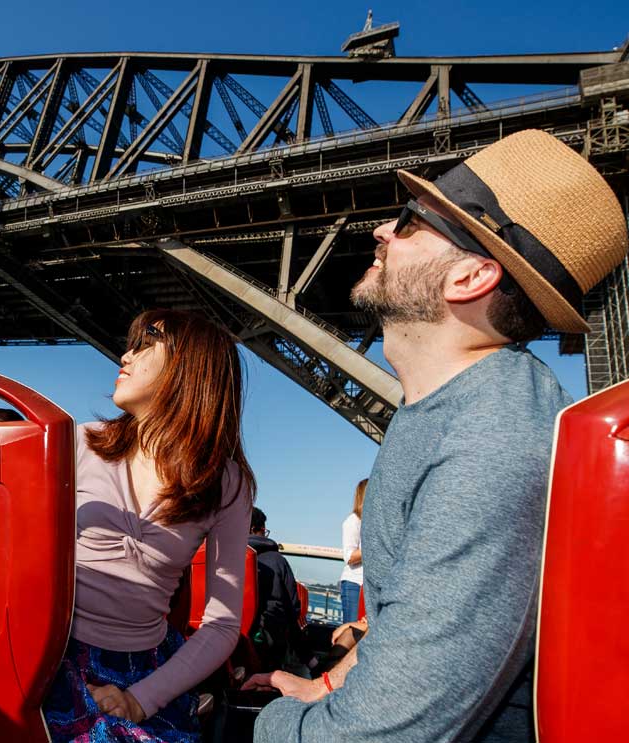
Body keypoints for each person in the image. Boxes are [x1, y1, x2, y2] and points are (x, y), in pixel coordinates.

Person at [244, 129, 629, 742]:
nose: (381, 231)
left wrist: (272, 725)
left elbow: (385, 736)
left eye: (409, 220)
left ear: (471, 277)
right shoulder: (443, 409)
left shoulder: (491, 438)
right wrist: (326, 685)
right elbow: (409, 619)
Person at [43, 309, 256, 742]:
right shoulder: (76, 445)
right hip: (49, 656)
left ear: (189, 368)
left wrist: (141, 699)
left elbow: (221, 624)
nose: (126, 354)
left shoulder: (226, 485)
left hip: (143, 672)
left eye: (146, 343)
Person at [248, 507, 303, 671]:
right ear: (254, 529)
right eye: (264, 531)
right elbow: (294, 607)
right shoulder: (278, 560)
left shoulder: (221, 554)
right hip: (267, 640)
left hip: (229, 639)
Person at [339, 479, 366, 624]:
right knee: (352, 633)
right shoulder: (353, 521)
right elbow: (349, 556)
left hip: (368, 586)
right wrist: (373, 548)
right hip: (355, 583)